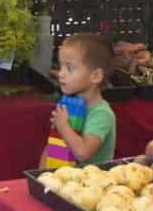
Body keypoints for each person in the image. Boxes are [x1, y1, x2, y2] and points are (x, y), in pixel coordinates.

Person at [40, 33, 117, 168]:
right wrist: (41, 175)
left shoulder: (101, 114)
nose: (60, 73)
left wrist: (63, 126)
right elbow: (53, 146)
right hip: (62, 181)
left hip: (90, 184)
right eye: (61, 66)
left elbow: (83, 153)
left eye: (69, 68)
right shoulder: (66, 104)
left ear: (95, 76)